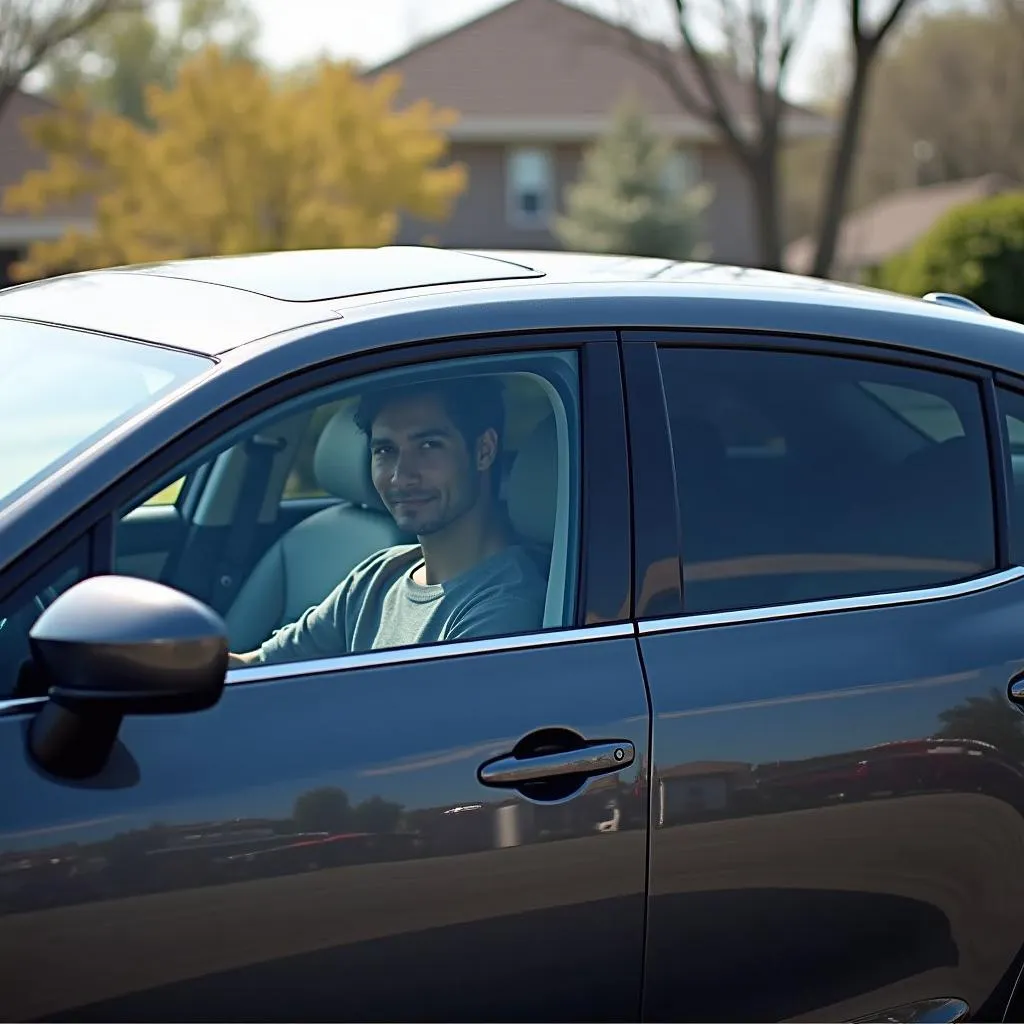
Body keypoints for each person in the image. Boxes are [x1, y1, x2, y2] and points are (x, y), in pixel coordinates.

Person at [228, 376, 548, 667]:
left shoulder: (503, 608)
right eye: (385, 450)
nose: (400, 476)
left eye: (428, 446)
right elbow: (256, 667)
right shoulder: (379, 575)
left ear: (483, 451)